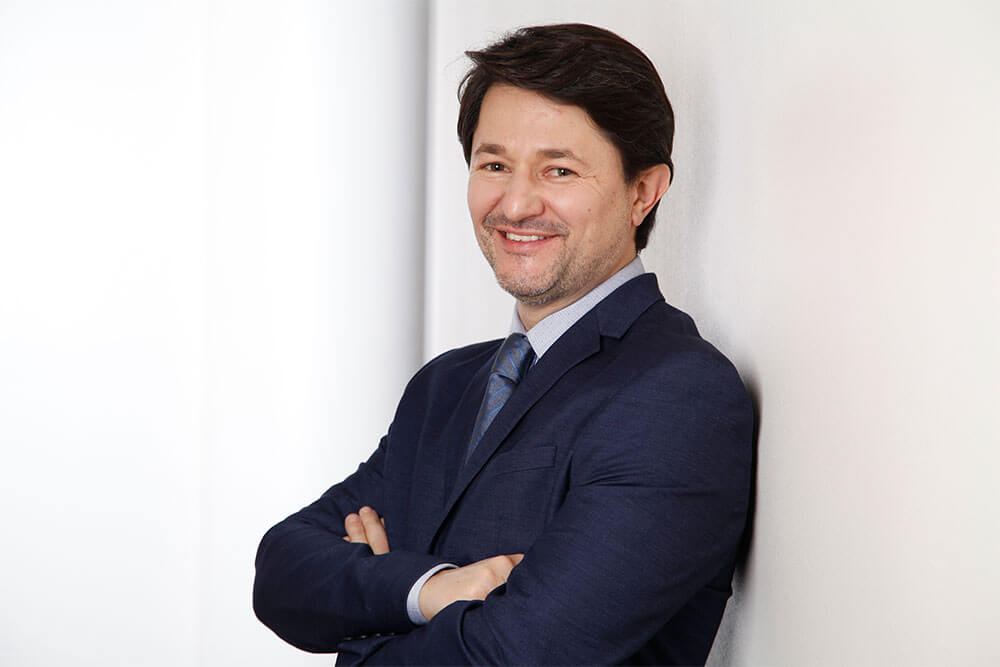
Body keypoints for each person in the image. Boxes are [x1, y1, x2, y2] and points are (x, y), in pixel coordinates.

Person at [253, 23, 753, 666]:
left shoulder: (677, 395)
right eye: (494, 165)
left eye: (558, 170)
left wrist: (364, 631)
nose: (515, 205)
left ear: (642, 192)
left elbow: (520, 653)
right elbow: (282, 573)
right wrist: (433, 590)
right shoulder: (445, 387)